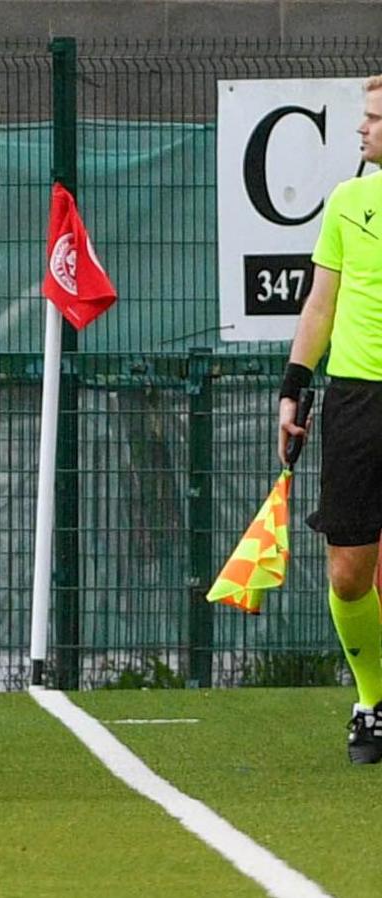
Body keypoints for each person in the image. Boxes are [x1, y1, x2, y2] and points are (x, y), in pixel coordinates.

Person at [279, 74, 382, 764]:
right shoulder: (349, 201)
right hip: (357, 399)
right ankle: (372, 699)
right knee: (348, 571)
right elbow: (320, 303)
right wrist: (295, 385)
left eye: (373, 119)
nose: (361, 129)